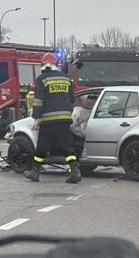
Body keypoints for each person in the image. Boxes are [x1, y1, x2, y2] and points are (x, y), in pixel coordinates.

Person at [23, 53, 81, 183]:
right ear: (57, 64)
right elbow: (72, 99)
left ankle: (35, 172)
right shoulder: (66, 79)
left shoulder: (42, 79)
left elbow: (38, 101)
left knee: (42, 147)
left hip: (49, 120)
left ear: (43, 64)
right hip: (65, 119)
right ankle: (75, 172)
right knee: (68, 147)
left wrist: (36, 119)